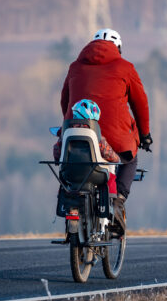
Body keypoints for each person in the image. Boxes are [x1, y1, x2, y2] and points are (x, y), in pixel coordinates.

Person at [60, 29, 153, 221]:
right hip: (115, 138)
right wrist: (145, 135)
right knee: (130, 158)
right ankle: (118, 200)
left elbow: (65, 101)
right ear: (118, 48)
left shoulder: (75, 67)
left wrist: (72, 124)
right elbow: (140, 104)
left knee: (70, 164)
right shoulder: (125, 67)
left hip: (76, 133)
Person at [53, 99, 120, 164]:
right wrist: (117, 159)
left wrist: (57, 160)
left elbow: (57, 149)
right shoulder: (96, 136)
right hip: (93, 169)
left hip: (69, 169)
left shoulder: (68, 132)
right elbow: (107, 153)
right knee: (111, 166)